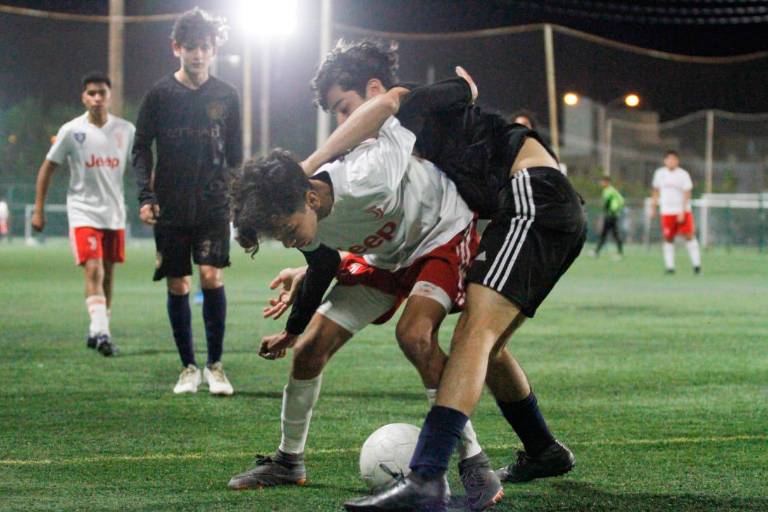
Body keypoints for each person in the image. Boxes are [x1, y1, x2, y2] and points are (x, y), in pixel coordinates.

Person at [292, 42, 586, 511]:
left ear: (372, 90)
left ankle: (427, 477)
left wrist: (304, 169)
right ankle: (544, 450)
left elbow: (400, 102)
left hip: (531, 193)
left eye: (344, 109)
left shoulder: (412, 106)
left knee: (474, 333)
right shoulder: (394, 149)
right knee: (490, 348)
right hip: (517, 208)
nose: (342, 123)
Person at [227, 121, 505, 508]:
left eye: (289, 231)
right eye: (282, 239)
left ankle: (475, 463)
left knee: (415, 335)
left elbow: (399, 112)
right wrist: (293, 332)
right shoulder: (308, 223)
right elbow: (323, 266)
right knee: (309, 350)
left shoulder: (365, 175)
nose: (290, 242)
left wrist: (406, 100)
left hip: (442, 233)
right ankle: (289, 460)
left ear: (310, 198)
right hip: (387, 256)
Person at [133, 8, 242, 395]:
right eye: (191, 48)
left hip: (213, 204)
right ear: (176, 47)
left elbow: (235, 157)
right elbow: (141, 147)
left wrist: (237, 201)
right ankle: (187, 368)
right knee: (178, 284)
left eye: (205, 48)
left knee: (211, 275)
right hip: (171, 205)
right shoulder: (160, 95)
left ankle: (215, 366)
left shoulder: (228, 96)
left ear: (215, 50)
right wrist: (146, 196)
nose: (198, 55)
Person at [31, 72, 134, 357]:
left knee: (109, 275)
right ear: (84, 98)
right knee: (94, 269)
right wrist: (39, 209)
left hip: (114, 213)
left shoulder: (126, 130)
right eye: (92, 93)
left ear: (110, 96)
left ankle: (98, 329)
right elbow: (47, 168)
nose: (97, 98)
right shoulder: (71, 131)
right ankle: (102, 333)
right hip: (83, 212)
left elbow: (141, 165)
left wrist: (149, 197)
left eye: (102, 92)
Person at [650, 150, 701, 274]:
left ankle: (697, 266)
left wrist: (683, 211)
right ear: (665, 161)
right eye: (669, 159)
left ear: (677, 161)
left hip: (682, 211)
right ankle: (670, 267)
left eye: (674, 159)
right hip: (667, 211)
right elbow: (656, 191)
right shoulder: (659, 174)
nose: (671, 162)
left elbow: (687, 193)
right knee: (668, 238)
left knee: (689, 236)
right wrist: (653, 208)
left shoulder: (683, 174)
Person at [591, 176, 625, 259]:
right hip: (613, 215)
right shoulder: (612, 190)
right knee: (613, 234)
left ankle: (596, 252)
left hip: (610, 215)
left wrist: (608, 212)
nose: (602, 183)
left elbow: (607, 203)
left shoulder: (608, 191)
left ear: (607, 182)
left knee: (606, 234)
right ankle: (619, 252)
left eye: (603, 182)